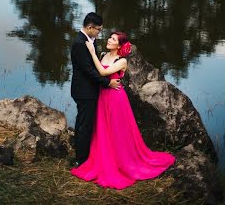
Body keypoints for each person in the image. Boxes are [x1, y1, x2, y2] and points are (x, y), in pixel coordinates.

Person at [71, 30, 175, 189]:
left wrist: (92, 52)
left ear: (119, 45)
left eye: (113, 39)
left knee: (117, 130)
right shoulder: (104, 55)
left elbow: (103, 72)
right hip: (102, 96)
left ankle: (121, 161)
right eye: (110, 37)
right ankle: (103, 158)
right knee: (102, 129)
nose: (109, 40)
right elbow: (95, 73)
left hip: (115, 98)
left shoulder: (122, 61)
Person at [71, 13, 121, 165]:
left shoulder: (90, 40)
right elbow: (88, 71)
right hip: (84, 91)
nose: (100, 33)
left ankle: (84, 155)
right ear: (90, 27)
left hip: (89, 90)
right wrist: (108, 83)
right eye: (98, 30)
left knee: (85, 123)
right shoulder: (80, 43)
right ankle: (81, 159)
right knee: (84, 125)